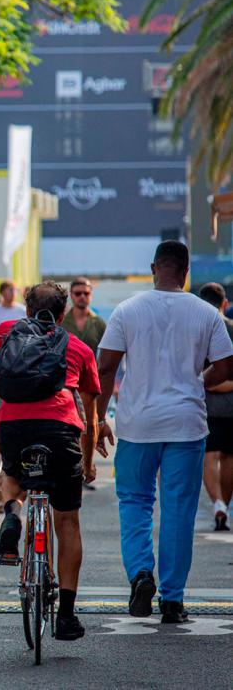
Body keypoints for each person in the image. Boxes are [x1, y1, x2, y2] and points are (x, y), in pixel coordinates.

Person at [96, 242, 233, 624]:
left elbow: (105, 367)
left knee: (135, 502)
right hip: (186, 425)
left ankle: (141, 573)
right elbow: (226, 366)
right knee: (179, 511)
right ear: (186, 272)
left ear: (154, 268)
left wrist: (96, 418)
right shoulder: (206, 313)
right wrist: (199, 380)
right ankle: (172, 599)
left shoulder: (128, 309)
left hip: (137, 424)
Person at [0, 280, 101, 641]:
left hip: (14, 425)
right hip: (60, 427)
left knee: (15, 475)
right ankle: (66, 615)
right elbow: (91, 418)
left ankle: (12, 512)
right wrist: (87, 462)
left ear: (26, 310)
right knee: (67, 521)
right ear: (64, 313)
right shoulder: (79, 347)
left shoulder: (6, 332)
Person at [198, 282, 233, 531]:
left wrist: (209, 384)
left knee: (209, 456)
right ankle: (226, 507)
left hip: (205, 402)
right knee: (230, 457)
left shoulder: (198, 328)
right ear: (225, 304)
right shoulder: (231, 328)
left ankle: (218, 503)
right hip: (231, 403)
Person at [61, 277, 106, 354]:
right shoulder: (61, 322)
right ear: (71, 295)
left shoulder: (99, 324)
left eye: (86, 293)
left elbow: (106, 352)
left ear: (91, 295)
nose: (82, 296)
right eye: (78, 293)